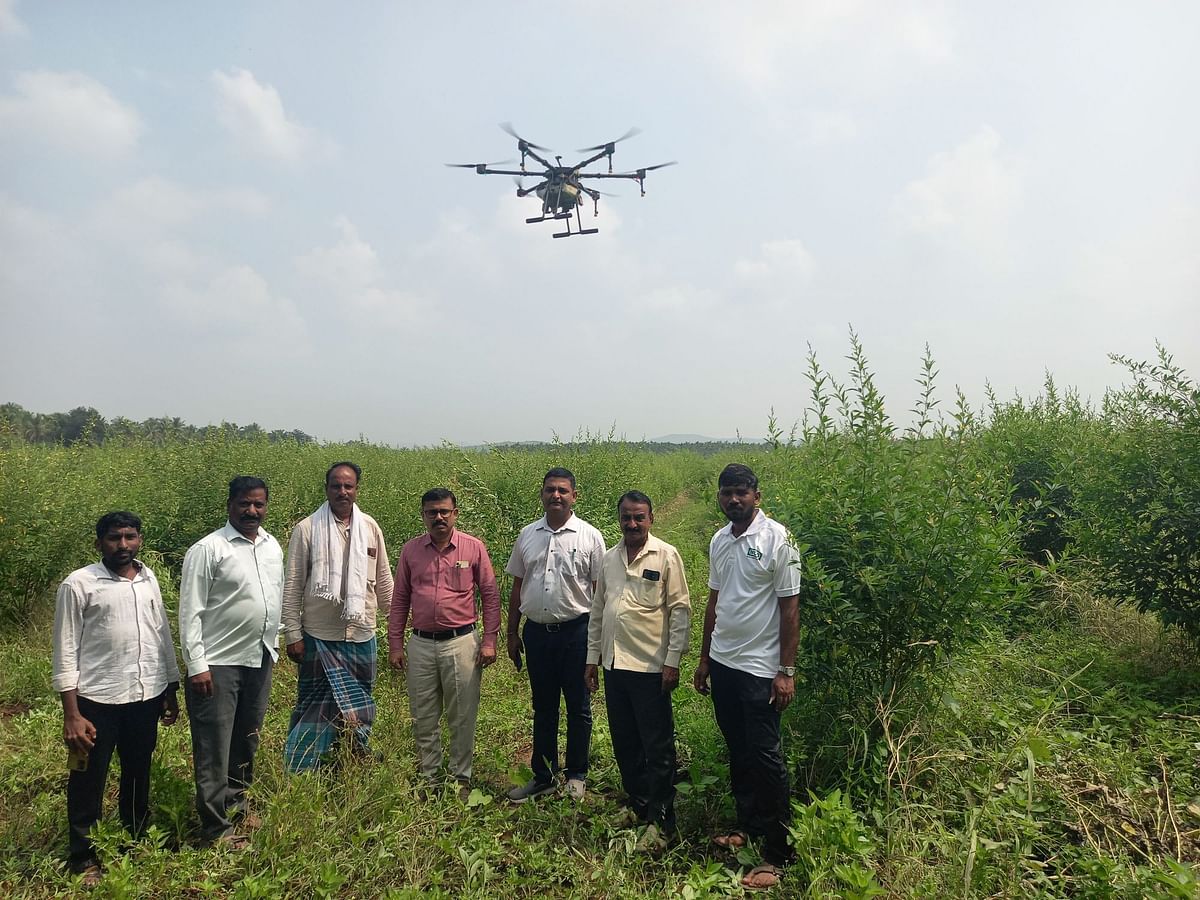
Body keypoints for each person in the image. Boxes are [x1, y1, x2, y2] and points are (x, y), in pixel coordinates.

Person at [52, 511, 180, 886]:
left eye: (129, 537)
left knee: (138, 770)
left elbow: (161, 634)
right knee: (87, 777)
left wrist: (169, 687)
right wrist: (72, 714)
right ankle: (83, 856)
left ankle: (135, 837)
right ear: (99, 543)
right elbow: (65, 651)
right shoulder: (79, 584)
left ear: (140, 539)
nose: (122, 545)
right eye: (113, 538)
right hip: (97, 701)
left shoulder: (148, 578)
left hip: (144, 695)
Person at [692, 463, 801, 892]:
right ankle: (747, 825)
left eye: (741, 492)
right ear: (718, 497)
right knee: (738, 748)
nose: (733, 499)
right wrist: (704, 659)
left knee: (766, 756)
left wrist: (785, 671)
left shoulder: (778, 539)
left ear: (757, 494)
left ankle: (779, 852)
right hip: (724, 662)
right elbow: (714, 603)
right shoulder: (720, 540)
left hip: (760, 668)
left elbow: (790, 609)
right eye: (726, 493)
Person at [179, 476, 283, 848]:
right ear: (230, 505)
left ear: (266, 506)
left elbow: (273, 598)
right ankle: (216, 828)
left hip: (259, 657)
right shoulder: (209, 549)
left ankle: (237, 805)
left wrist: (274, 642)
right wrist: (197, 665)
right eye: (244, 504)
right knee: (214, 745)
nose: (251, 511)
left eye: (258, 504)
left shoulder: (272, 546)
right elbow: (190, 612)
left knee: (246, 739)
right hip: (218, 663)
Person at [584, 491, 690, 851]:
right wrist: (592, 660)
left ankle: (663, 822)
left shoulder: (666, 555)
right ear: (619, 519)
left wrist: (672, 661)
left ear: (651, 519)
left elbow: (679, 611)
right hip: (615, 666)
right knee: (625, 742)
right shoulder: (610, 559)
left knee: (657, 747)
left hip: (650, 668)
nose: (632, 524)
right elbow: (598, 610)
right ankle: (639, 804)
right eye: (626, 517)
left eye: (639, 517)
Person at [282, 462, 394, 771]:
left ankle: (350, 759)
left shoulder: (370, 527)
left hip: (362, 634)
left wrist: (397, 629)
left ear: (357, 489)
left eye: (348, 486)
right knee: (311, 705)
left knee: (359, 705)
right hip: (319, 637)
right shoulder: (307, 529)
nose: (342, 491)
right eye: (336, 486)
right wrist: (293, 633)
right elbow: (292, 585)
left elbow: (384, 581)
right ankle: (302, 766)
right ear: (326, 489)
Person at [389, 488, 501, 795]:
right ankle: (430, 778)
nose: (438, 517)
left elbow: (490, 595)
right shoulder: (411, 551)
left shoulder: (473, 547)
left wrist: (489, 640)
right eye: (432, 512)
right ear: (423, 515)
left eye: (444, 512)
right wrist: (395, 644)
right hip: (421, 644)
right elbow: (399, 600)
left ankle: (460, 779)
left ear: (455, 513)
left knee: (462, 715)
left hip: (461, 643)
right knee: (423, 715)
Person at [505, 467, 606, 802]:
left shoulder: (590, 536)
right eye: (550, 490)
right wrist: (512, 633)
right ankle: (544, 776)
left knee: (578, 707)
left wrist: (597, 644)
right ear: (542, 494)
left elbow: (599, 592)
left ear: (574, 495)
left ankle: (577, 776)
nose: (556, 496)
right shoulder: (527, 535)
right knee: (544, 707)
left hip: (576, 633)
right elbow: (518, 586)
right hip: (537, 635)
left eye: (563, 490)